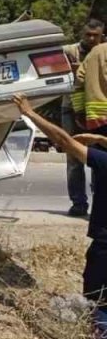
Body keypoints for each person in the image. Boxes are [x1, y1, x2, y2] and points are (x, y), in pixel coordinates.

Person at [14, 92, 107, 339]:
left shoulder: (103, 162)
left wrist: (30, 113)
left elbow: (63, 140)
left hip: (104, 248)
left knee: (99, 301)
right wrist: (100, 139)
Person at [64, 20, 105, 217]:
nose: (91, 38)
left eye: (95, 35)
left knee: (100, 161)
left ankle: (100, 203)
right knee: (74, 158)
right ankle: (79, 203)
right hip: (71, 110)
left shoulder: (101, 53)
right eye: (88, 34)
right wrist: (79, 111)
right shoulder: (69, 51)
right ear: (82, 33)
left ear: (101, 35)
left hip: (95, 114)